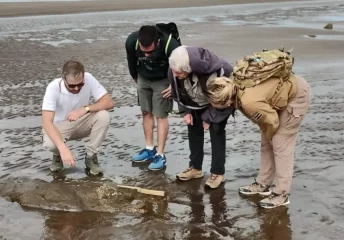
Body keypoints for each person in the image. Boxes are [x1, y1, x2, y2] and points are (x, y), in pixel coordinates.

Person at [206, 48, 311, 208]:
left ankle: (281, 194)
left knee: (280, 145)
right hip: (276, 98)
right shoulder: (233, 84)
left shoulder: (248, 103)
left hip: (296, 95)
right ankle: (263, 184)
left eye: (216, 105)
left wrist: (271, 137)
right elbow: (267, 120)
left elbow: (272, 123)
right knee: (267, 143)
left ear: (226, 102)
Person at [168, 45, 235, 189]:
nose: (174, 75)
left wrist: (209, 117)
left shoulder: (218, 71)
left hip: (217, 104)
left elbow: (225, 99)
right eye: (173, 71)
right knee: (193, 129)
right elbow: (178, 93)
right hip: (194, 102)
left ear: (188, 69)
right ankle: (195, 168)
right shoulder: (174, 68)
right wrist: (186, 112)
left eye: (178, 73)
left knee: (216, 132)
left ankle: (218, 173)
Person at [41, 60, 114, 175]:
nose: (76, 88)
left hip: (81, 122)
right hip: (59, 127)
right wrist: (62, 148)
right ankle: (57, 156)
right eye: (72, 85)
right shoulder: (53, 87)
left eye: (80, 84)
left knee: (103, 115)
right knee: (51, 143)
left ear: (83, 76)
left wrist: (84, 109)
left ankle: (91, 158)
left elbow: (109, 102)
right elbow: (46, 122)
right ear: (63, 78)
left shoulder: (89, 78)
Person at [125, 24, 181, 171]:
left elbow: (181, 66)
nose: (147, 55)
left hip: (163, 80)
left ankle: (160, 155)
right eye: (144, 52)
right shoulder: (132, 41)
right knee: (146, 112)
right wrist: (136, 79)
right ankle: (149, 149)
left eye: (151, 52)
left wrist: (174, 85)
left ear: (157, 42)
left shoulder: (171, 44)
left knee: (160, 115)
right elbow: (131, 63)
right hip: (143, 78)